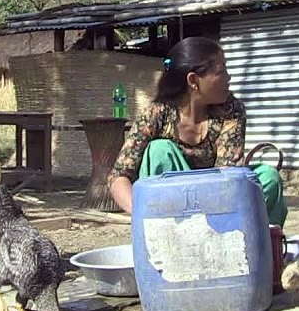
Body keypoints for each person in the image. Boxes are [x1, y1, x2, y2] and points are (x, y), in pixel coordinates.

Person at [107, 37, 287, 227]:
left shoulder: (231, 110)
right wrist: (140, 212)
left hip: (220, 200)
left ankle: (259, 246)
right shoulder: (157, 113)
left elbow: (228, 177)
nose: (228, 77)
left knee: (268, 177)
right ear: (193, 80)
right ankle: (172, 233)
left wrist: (207, 209)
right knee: (159, 150)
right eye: (221, 71)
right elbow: (118, 176)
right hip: (174, 207)